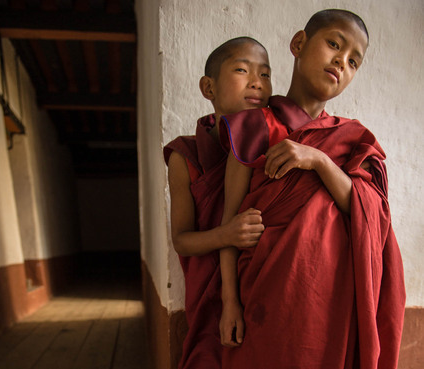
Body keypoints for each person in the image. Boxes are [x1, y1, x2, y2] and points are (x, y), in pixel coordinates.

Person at [217, 9, 406, 369]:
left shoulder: (351, 141)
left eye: (353, 61)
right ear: (299, 44)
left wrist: (318, 160)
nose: (341, 61)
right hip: (264, 298)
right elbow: (231, 222)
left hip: (330, 302)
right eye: (333, 43)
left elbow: (370, 213)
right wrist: (230, 302)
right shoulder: (251, 128)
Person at [164, 36, 273, 369]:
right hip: (210, 298)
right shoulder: (187, 156)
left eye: (266, 74)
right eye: (242, 69)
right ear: (208, 87)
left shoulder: (276, 141)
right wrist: (227, 235)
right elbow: (181, 240)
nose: (257, 81)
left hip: (264, 290)